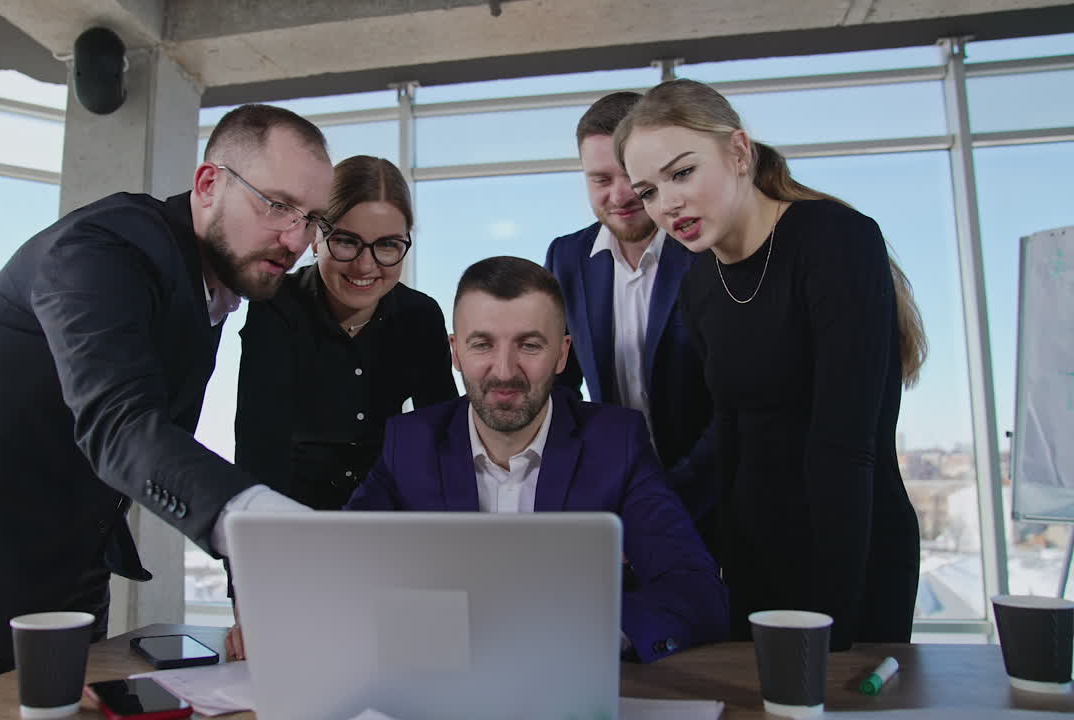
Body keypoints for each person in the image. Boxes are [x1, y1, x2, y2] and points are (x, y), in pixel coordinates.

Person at [0, 104, 333, 704]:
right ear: (207, 184)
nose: (296, 239)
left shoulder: (215, 283)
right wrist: (271, 532)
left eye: (311, 219)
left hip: (66, 558)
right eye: (276, 205)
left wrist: (250, 581)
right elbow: (120, 426)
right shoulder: (105, 247)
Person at [614, 79, 927, 651]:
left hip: (852, 551)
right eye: (649, 191)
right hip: (757, 559)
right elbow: (731, 446)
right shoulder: (699, 284)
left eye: (682, 173)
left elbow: (848, 446)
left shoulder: (835, 240)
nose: (668, 205)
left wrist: (832, 626)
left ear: (738, 152)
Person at [345, 256, 728, 662]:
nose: (505, 372)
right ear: (455, 351)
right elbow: (342, 568)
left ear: (562, 354)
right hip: (441, 678)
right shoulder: (409, 443)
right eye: (482, 344)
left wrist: (594, 636)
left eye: (529, 345)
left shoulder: (616, 443)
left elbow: (696, 590)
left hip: (571, 681)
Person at [545, 92, 718, 553]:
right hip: (619, 505)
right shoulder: (567, 258)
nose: (619, 195)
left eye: (630, 177)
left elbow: (734, 401)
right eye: (600, 178)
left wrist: (672, 499)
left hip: (719, 499)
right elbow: (561, 385)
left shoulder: (705, 248)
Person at [235, 155, 457, 509]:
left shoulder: (420, 316)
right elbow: (259, 448)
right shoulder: (276, 306)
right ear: (315, 237)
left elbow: (443, 442)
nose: (365, 265)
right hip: (293, 515)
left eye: (387, 244)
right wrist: (254, 550)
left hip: (390, 514)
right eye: (346, 241)